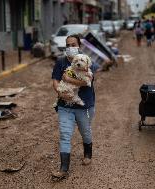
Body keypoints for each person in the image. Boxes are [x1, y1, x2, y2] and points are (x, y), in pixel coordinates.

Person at [51, 34, 96, 180]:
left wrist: (68, 79)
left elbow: (87, 81)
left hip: (84, 106)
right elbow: (56, 81)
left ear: (79, 46)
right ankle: (63, 169)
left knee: (85, 132)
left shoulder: (87, 61)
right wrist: (60, 92)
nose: (70, 48)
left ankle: (88, 153)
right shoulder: (60, 62)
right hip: (65, 105)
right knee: (65, 135)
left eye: (73, 44)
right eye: (68, 45)